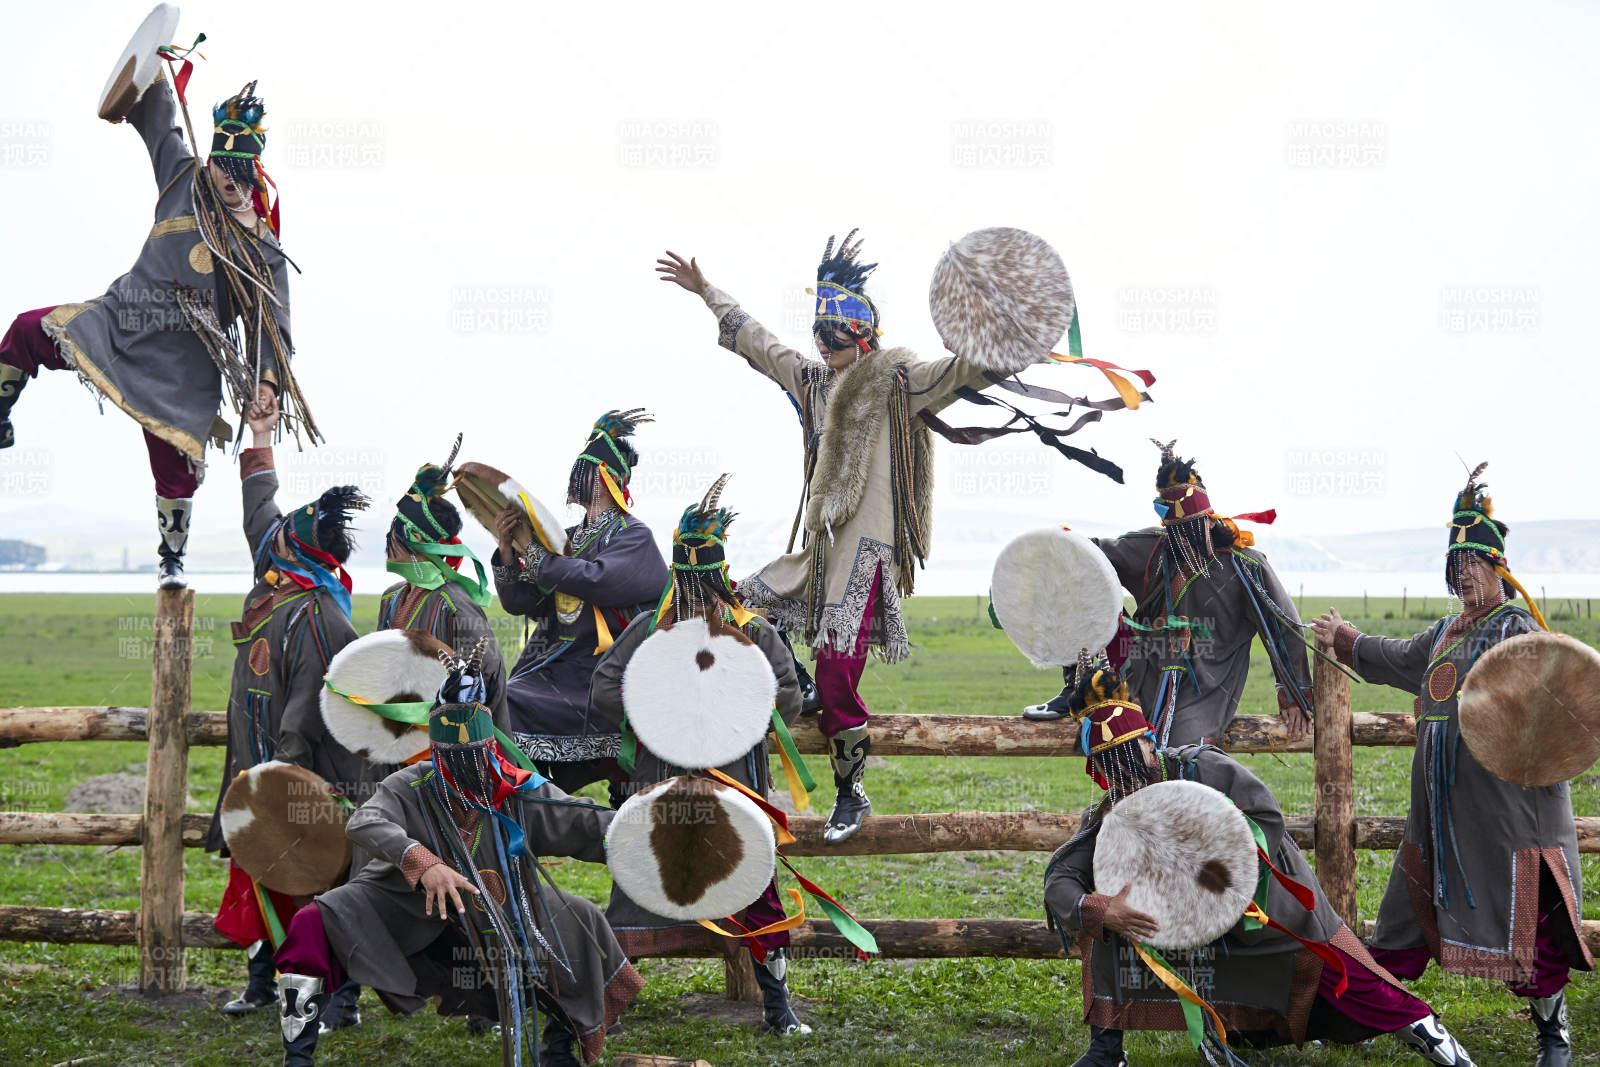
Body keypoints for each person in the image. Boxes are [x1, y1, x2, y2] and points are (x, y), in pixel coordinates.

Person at [658, 232, 1001, 845]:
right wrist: (706, 292)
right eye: (818, 330)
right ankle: (800, 686)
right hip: (817, 552)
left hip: (865, 555)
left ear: (862, 334)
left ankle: (852, 790)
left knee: (841, 675)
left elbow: (965, 370)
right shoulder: (813, 383)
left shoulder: (900, 379)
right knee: (740, 603)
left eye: (832, 331)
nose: (821, 340)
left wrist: (994, 335)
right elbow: (759, 343)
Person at [1043, 663, 1477, 1066]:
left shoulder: (1202, 770)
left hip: (1274, 917)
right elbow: (1061, 879)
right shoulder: (1111, 817)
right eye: (1109, 763)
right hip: (1196, 942)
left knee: (1364, 987)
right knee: (1102, 920)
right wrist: (1103, 910)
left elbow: (1266, 817)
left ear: (1148, 740)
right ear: (1096, 768)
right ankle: (1106, 1054)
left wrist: (1224, 869)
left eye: (1128, 752)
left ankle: (1438, 1044)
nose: (1123, 770)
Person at [1312, 464, 1592, 1067]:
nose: (1464, 573)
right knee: (1397, 931)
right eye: (1455, 565)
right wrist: (1343, 637)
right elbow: (1389, 655)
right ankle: (1347, 1014)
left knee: (1531, 935)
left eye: (1475, 563)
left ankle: (1555, 1038)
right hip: (1439, 817)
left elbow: (1563, 706)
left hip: (1509, 818)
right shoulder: (1442, 633)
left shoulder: (1517, 633)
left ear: (1499, 569)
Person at [0, 68, 317, 588]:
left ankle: (171, 559)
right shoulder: (182, 177)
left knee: (174, 468)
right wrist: (152, 75)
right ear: (211, 160)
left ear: (254, 172)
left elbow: (271, 322)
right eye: (222, 170)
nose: (229, 183)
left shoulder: (261, 246)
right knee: (29, 329)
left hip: (183, 366)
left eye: (240, 175)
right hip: (120, 319)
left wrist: (265, 382)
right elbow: (162, 123)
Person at [271, 641, 642, 1066]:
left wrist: (644, 829)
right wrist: (423, 863)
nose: (465, 766)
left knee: (579, 923)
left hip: (503, 905)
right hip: (408, 905)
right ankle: (297, 1058)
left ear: (491, 746)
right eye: (451, 758)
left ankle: (559, 1048)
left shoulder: (518, 789)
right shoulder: (411, 783)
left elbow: (586, 822)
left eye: (475, 756)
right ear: (436, 751)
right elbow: (364, 822)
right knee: (312, 923)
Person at [589, 476, 811, 1035]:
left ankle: (774, 1009)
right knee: (650, 882)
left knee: (732, 883)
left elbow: (784, 696)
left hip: (694, 789)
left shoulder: (685, 631)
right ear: (721, 573)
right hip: (694, 789)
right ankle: (774, 1010)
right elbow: (787, 698)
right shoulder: (728, 632)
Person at [209, 396, 372, 1031]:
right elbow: (261, 511)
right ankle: (261, 984)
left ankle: (343, 997)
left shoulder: (319, 614)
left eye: (274, 544)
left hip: (301, 774)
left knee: (320, 881)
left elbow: (309, 705)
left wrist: (286, 780)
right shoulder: (281, 577)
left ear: (295, 556)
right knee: (258, 872)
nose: (265, 544)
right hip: (258, 768)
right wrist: (259, 432)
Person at [1022, 440, 1312, 747]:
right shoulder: (1152, 549)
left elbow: (1284, 627)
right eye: (1177, 532)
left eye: (1191, 530)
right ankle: (1076, 687)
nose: (1183, 540)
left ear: (1208, 520)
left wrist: (1295, 692)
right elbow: (1085, 554)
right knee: (1080, 573)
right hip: (1136, 679)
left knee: (1180, 760)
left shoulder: (1246, 567)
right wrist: (1040, 554)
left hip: (1205, 692)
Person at [490, 410, 667, 804]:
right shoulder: (564, 539)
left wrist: (534, 553)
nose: (576, 477)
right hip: (554, 665)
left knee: (512, 700)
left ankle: (535, 805)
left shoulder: (634, 536)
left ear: (608, 478)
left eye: (586, 470)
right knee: (499, 694)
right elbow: (521, 602)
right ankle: (529, 802)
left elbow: (595, 579)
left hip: (600, 672)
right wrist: (508, 551)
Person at [378, 438, 508, 727]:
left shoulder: (456, 604)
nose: (389, 540)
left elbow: (487, 675)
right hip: (395, 737)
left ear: (418, 540)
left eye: (395, 531)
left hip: (447, 743)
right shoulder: (390, 599)